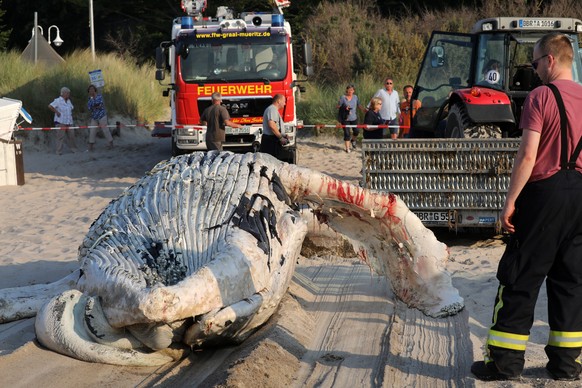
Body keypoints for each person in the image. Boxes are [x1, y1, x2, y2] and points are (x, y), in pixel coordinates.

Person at [471, 32, 582, 382]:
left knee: (520, 276)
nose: (533, 71)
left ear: (550, 59)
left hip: (544, 193)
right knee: (571, 281)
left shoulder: (540, 96)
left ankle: (503, 364)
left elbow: (528, 155)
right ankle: (566, 365)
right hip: (581, 195)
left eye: (534, 63)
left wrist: (510, 202)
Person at [48, 86, 77, 155]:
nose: (68, 95)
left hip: (69, 121)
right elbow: (50, 106)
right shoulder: (57, 100)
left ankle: (74, 149)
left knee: (72, 135)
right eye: (67, 93)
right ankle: (58, 151)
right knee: (60, 137)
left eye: (69, 93)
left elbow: (71, 108)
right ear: (63, 93)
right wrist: (57, 112)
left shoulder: (69, 101)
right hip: (61, 121)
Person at [337, 84, 365, 153]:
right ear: (346, 90)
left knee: (356, 131)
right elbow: (338, 106)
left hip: (354, 118)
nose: (350, 91)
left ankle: (353, 140)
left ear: (353, 91)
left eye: (352, 90)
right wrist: (344, 107)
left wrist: (364, 110)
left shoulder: (355, 97)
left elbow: (359, 105)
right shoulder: (343, 97)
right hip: (345, 118)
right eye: (349, 90)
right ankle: (347, 148)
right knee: (347, 133)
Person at [87, 84, 113, 151]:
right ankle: (90, 146)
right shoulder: (90, 98)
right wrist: (94, 104)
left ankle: (111, 143)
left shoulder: (99, 96)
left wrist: (94, 106)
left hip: (102, 115)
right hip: (94, 116)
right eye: (90, 90)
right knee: (92, 131)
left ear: (95, 90)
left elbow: (100, 105)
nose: (91, 91)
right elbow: (89, 107)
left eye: (92, 89)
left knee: (105, 130)